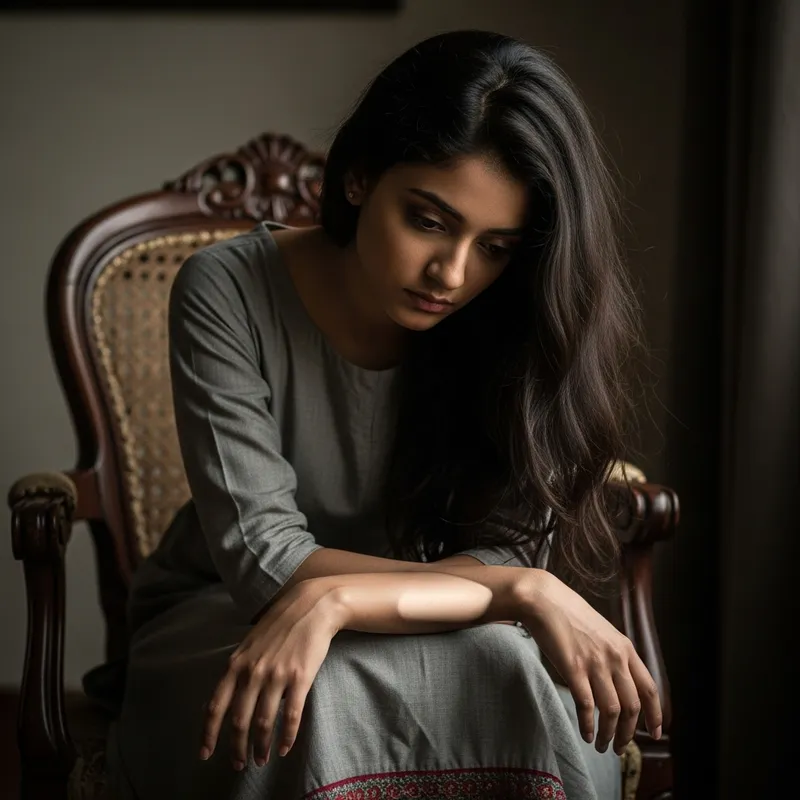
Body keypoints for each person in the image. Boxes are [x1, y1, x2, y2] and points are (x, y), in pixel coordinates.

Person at [105, 29, 662, 800]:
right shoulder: (224, 287)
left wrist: (340, 595)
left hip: (446, 615)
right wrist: (518, 592)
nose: (454, 274)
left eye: (495, 246)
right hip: (229, 615)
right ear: (361, 176)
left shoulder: (512, 315)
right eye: (429, 221)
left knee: (519, 680)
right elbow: (267, 564)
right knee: (317, 696)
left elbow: (507, 550)